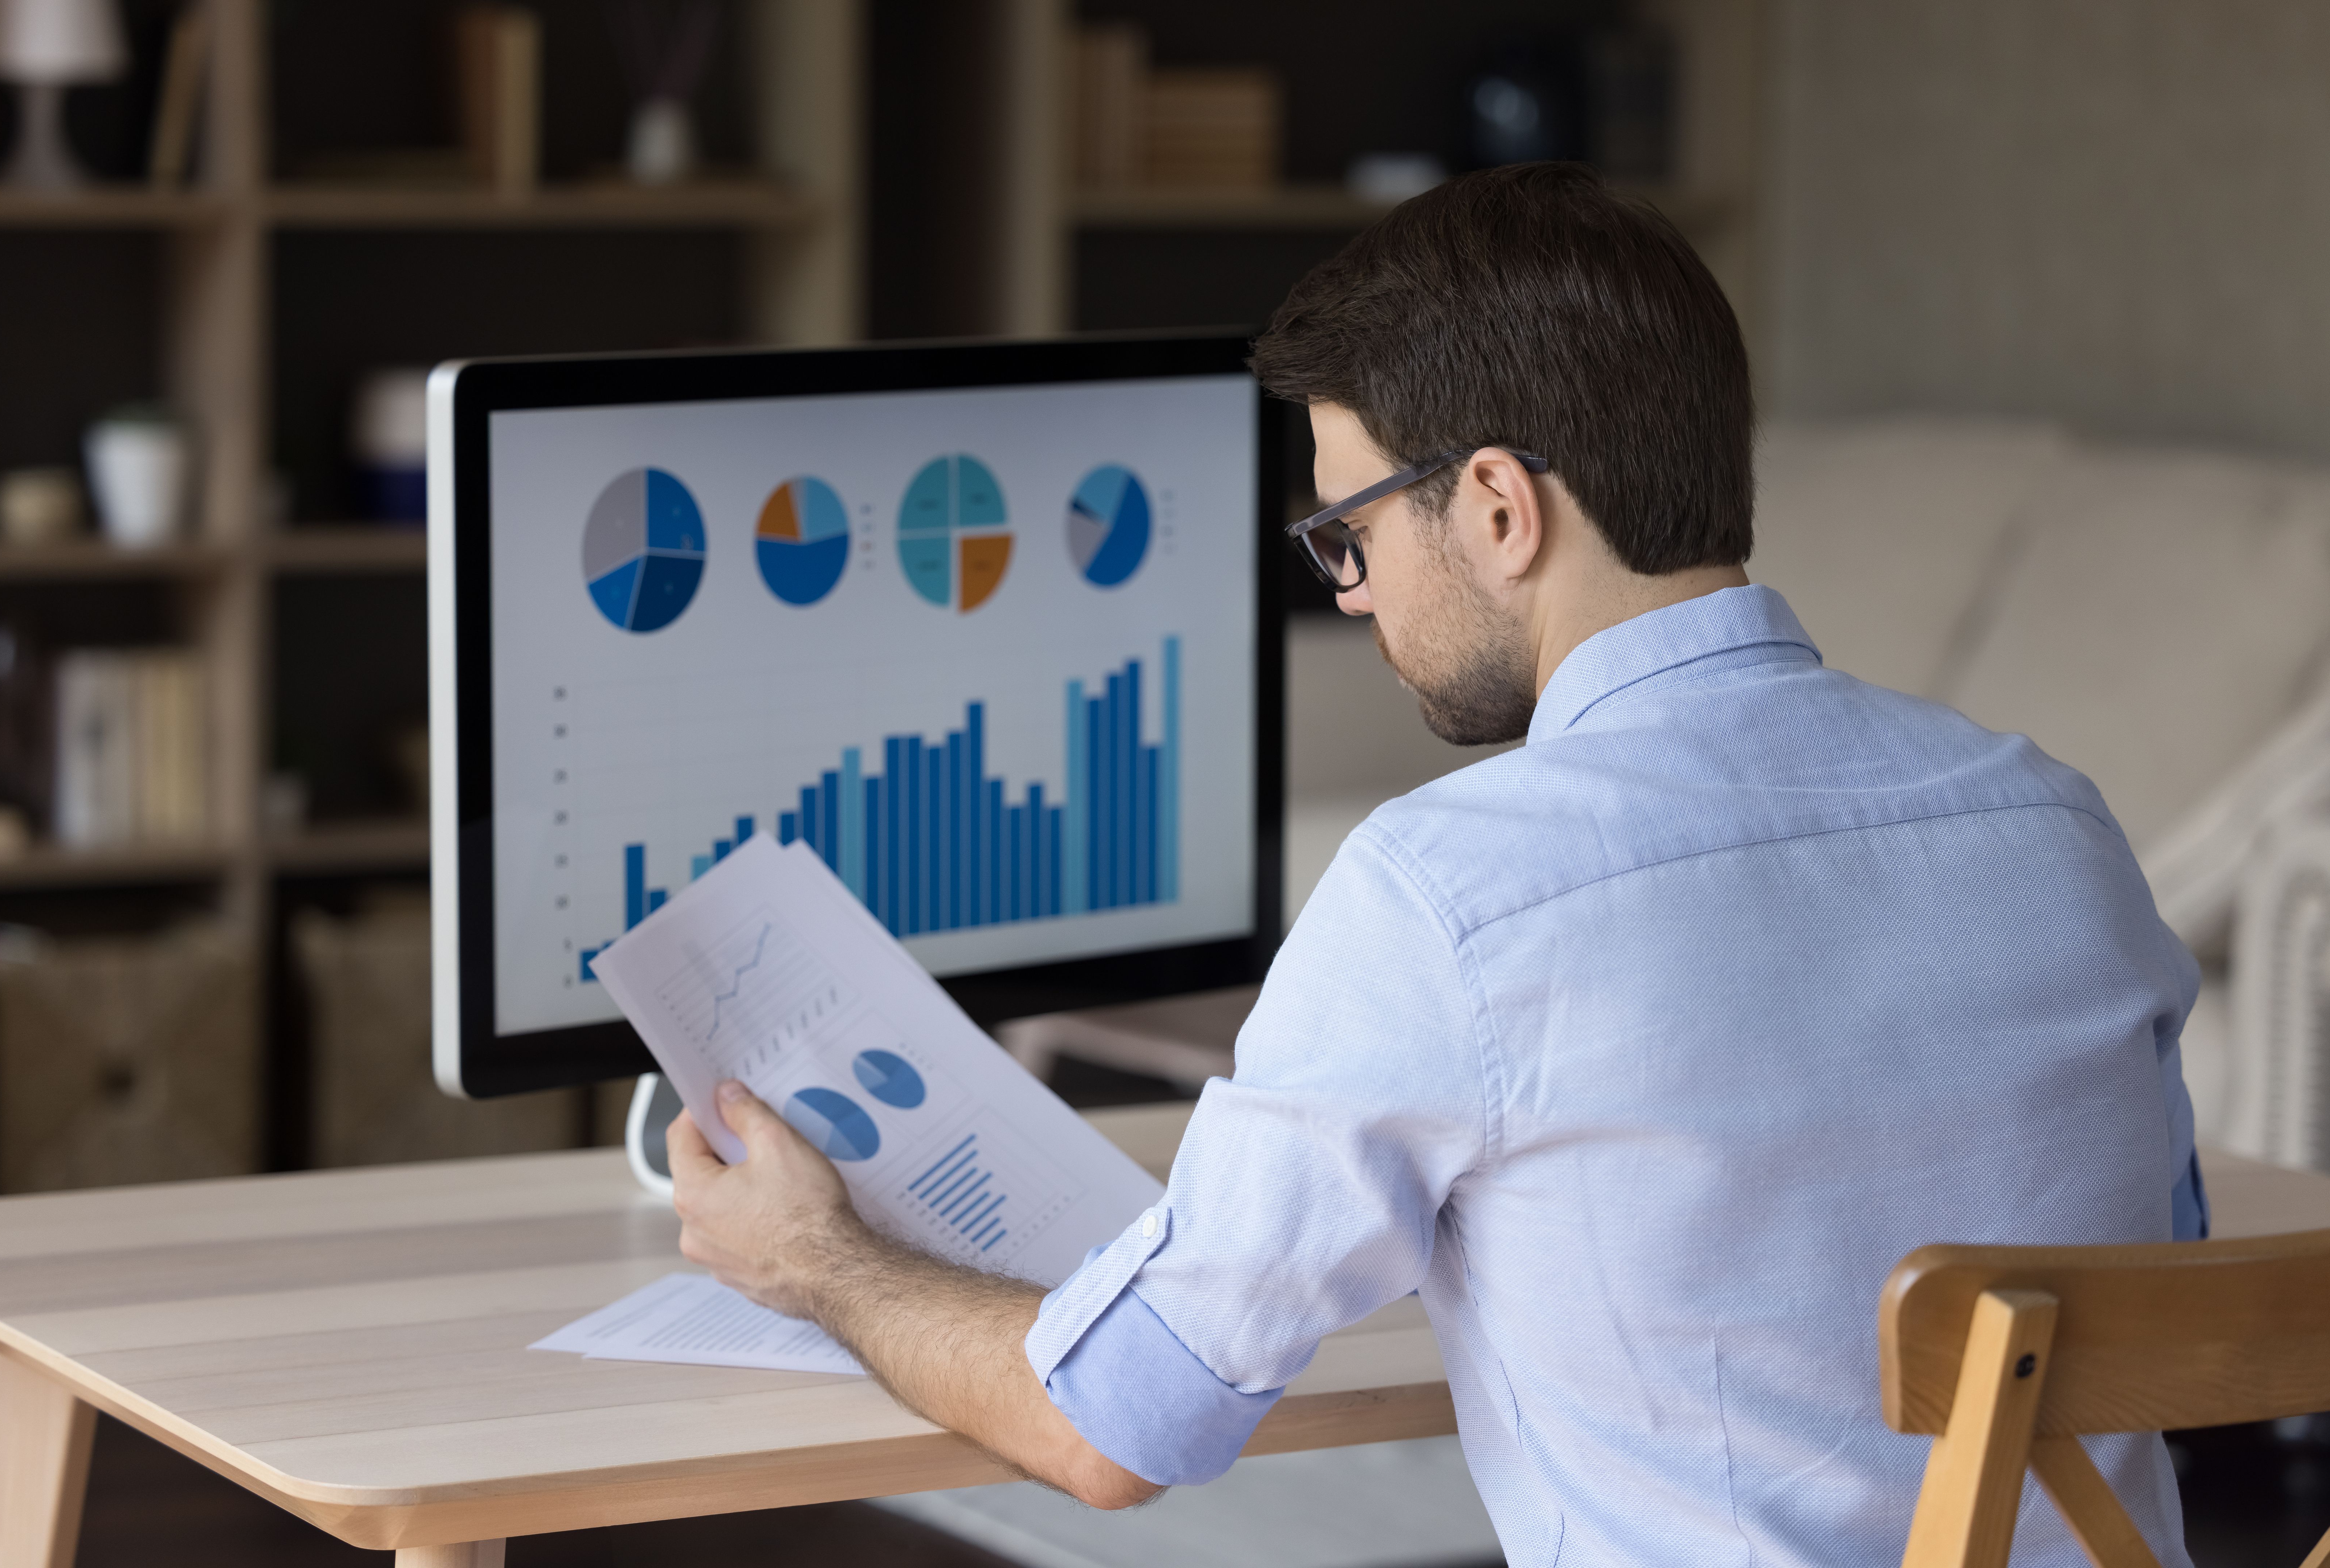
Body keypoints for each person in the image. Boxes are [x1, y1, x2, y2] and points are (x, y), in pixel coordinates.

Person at [668, 162, 2205, 1567]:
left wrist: (818, 1259)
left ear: (1494, 506)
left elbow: (1113, 1426)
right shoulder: (2055, 824)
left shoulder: (1453, 893)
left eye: (1349, 533)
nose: (1347, 592)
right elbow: (2160, 1284)